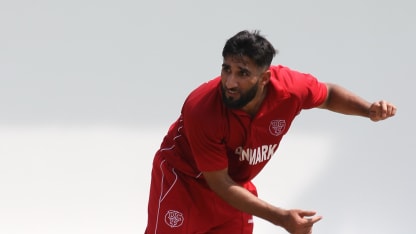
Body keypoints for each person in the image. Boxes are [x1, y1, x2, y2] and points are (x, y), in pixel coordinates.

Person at [144, 30, 397, 234]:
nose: (230, 82)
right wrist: (281, 218)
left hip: (235, 188)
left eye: (242, 73)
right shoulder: (202, 108)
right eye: (226, 69)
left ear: (264, 78)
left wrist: (368, 110)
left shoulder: (290, 89)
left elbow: (328, 95)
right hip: (185, 183)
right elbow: (219, 183)